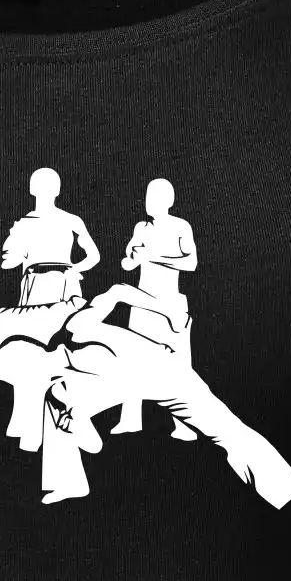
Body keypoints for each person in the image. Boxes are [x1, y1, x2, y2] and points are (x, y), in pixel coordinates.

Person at [112, 177, 199, 437]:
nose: (150, 202)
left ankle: (184, 425)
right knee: (132, 360)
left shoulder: (180, 226)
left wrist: (153, 257)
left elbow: (191, 263)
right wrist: (131, 259)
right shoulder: (141, 228)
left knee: (179, 365)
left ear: (169, 201)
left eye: (156, 197)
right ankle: (130, 419)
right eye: (149, 196)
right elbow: (129, 261)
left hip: (170, 302)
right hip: (141, 302)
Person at [0, 167, 99, 307]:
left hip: (64, 283)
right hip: (37, 284)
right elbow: (8, 261)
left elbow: (94, 256)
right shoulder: (23, 224)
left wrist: (74, 270)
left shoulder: (71, 220)